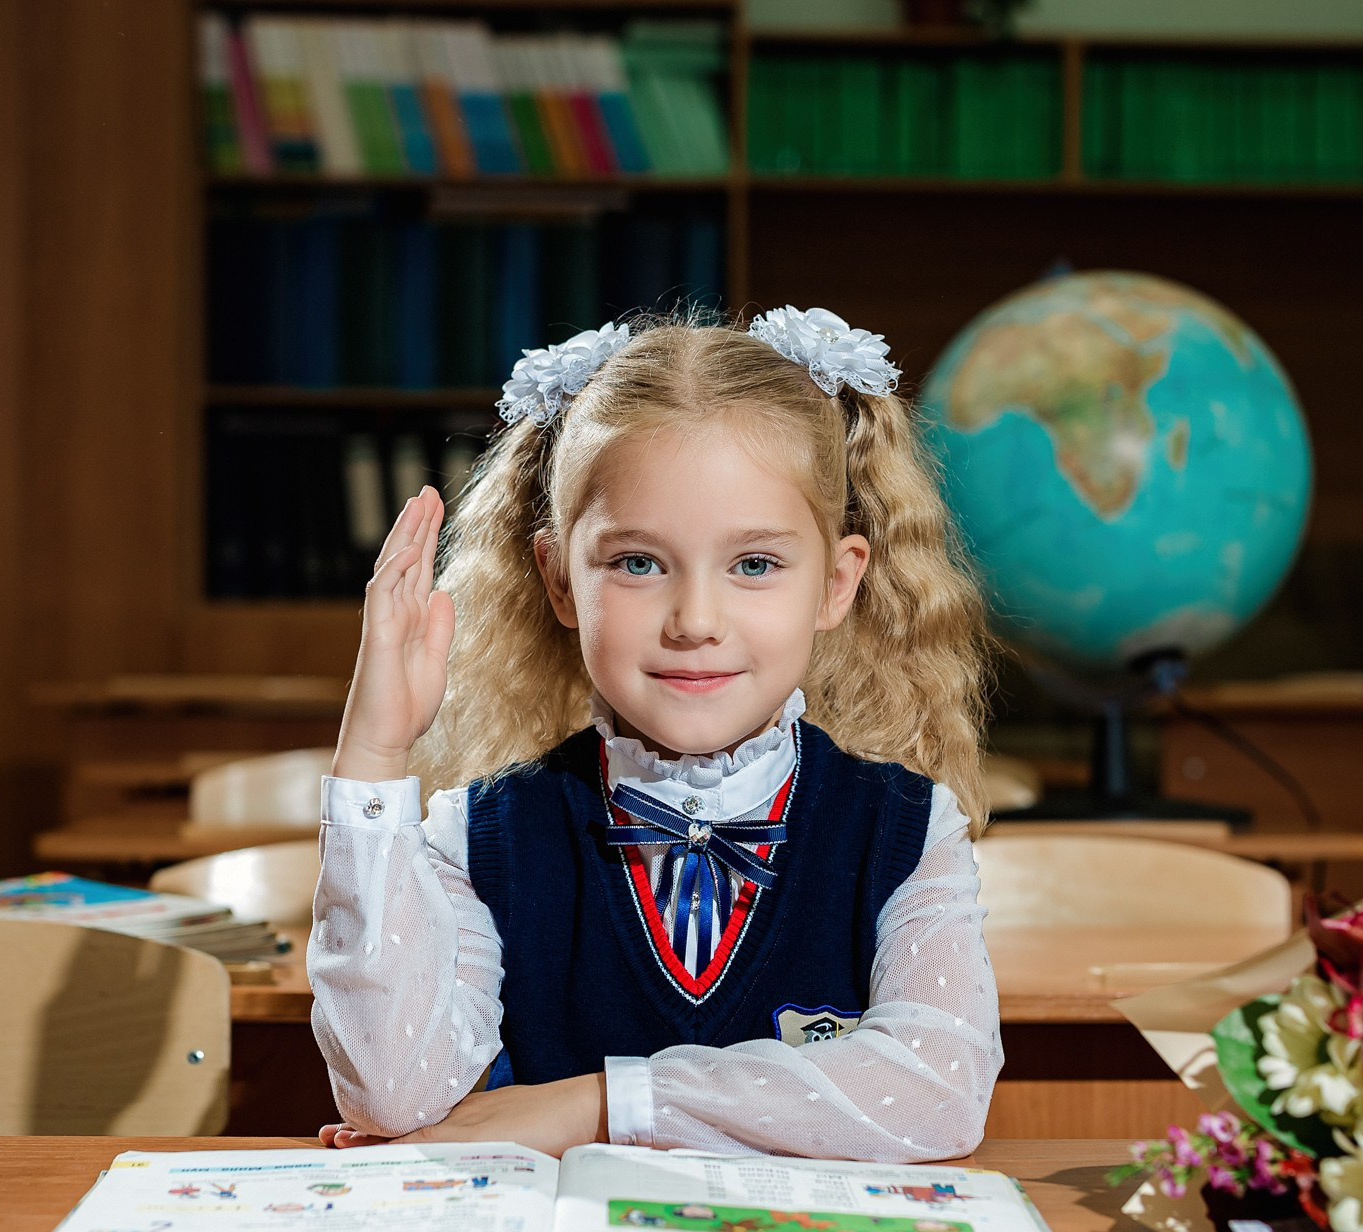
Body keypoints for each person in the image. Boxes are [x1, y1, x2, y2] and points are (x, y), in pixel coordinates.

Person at [309, 306, 1002, 1163]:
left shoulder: (907, 828)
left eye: (754, 565)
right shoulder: (478, 836)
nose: (696, 621)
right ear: (560, 579)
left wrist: (597, 1105)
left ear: (837, 582)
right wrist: (375, 757)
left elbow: (936, 1091)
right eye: (638, 563)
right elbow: (392, 1091)